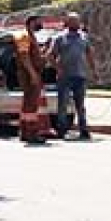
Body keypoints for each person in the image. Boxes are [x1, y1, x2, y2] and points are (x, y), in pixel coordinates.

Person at [49, 12, 97, 140]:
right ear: (68, 23)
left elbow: (89, 54)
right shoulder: (60, 38)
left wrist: (94, 70)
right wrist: (58, 68)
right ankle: (62, 130)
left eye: (77, 21)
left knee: (80, 105)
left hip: (80, 75)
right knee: (63, 104)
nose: (76, 24)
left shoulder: (84, 37)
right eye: (73, 21)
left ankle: (83, 129)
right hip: (65, 77)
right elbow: (50, 55)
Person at [12, 15, 49, 145]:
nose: (41, 24)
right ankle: (31, 133)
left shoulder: (31, 36)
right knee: (31, 104)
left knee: (28, 103)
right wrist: (33, 74)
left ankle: (24, 131)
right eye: (39, 22)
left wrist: (44, 52)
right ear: (32, 22)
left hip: (31, 73)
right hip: (28, 74)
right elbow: (24, 57)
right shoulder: (23, 36)